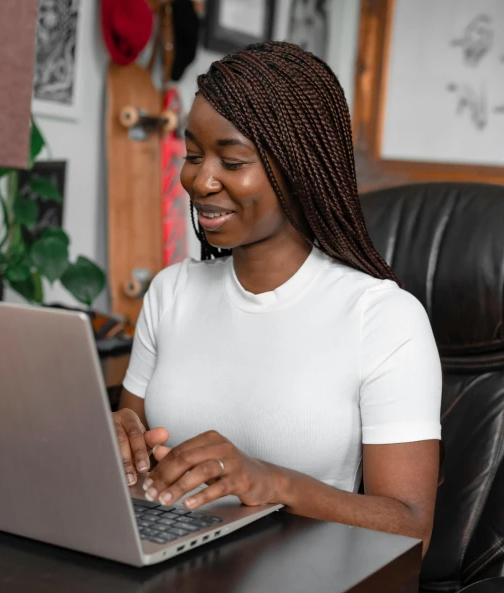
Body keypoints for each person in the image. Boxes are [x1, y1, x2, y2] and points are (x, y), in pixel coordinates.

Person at [113, 41, 442, 554]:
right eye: (194, 155)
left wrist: (271, 482)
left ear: (299, 165)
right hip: (170, 572)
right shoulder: (171, 292)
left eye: (232, 159)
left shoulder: (382, 318)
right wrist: (116, 439)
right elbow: (133, 460)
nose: (200, 180)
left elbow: (412, 529)